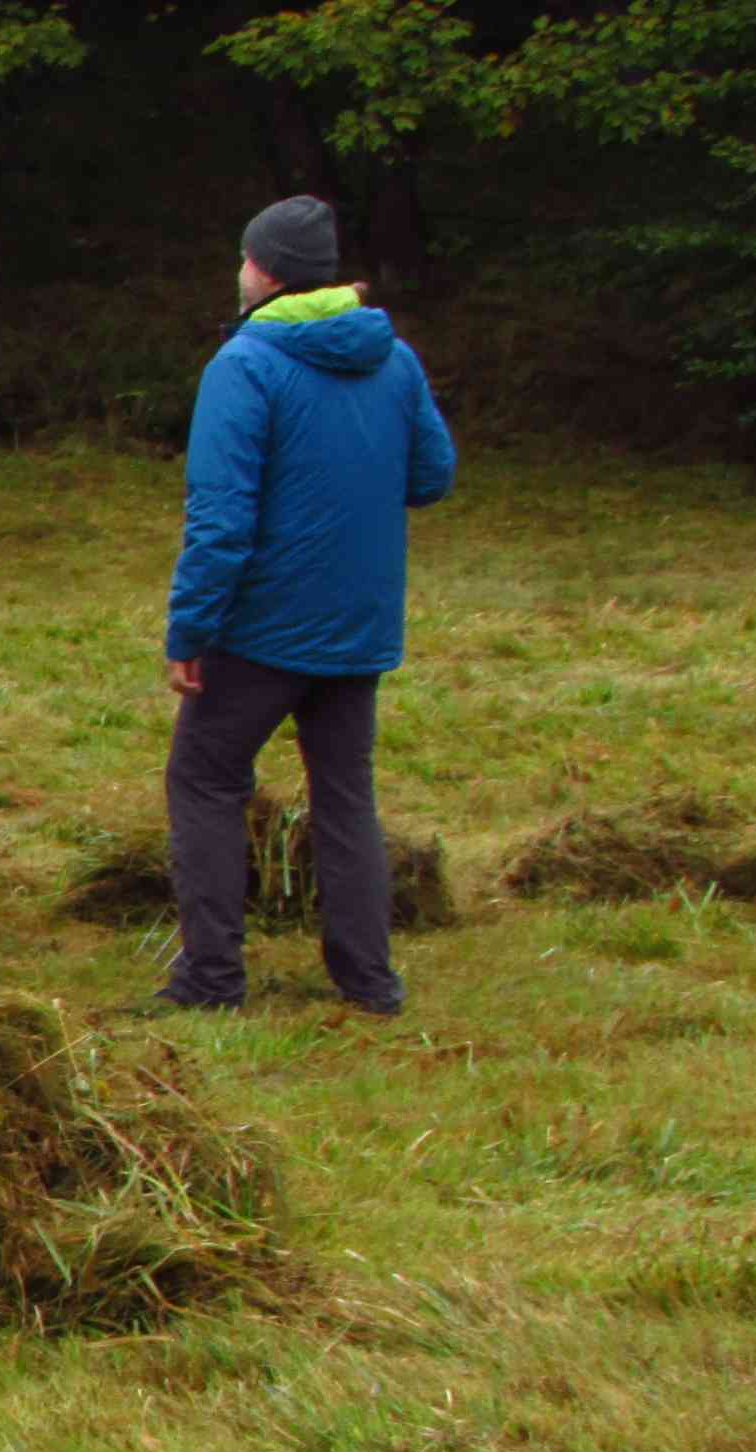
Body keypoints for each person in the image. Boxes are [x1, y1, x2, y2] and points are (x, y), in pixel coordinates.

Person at [156, 195, 456, 1014]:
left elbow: (220, 520)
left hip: (260, 629)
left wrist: (191, 629)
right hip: (358, 627)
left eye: (245, 260)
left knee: (205, 780)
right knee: (346, 794)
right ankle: (370, 982)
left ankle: (211, 978)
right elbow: (433, 475)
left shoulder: (246, 366)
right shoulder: (393, 360)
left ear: (264, 272)